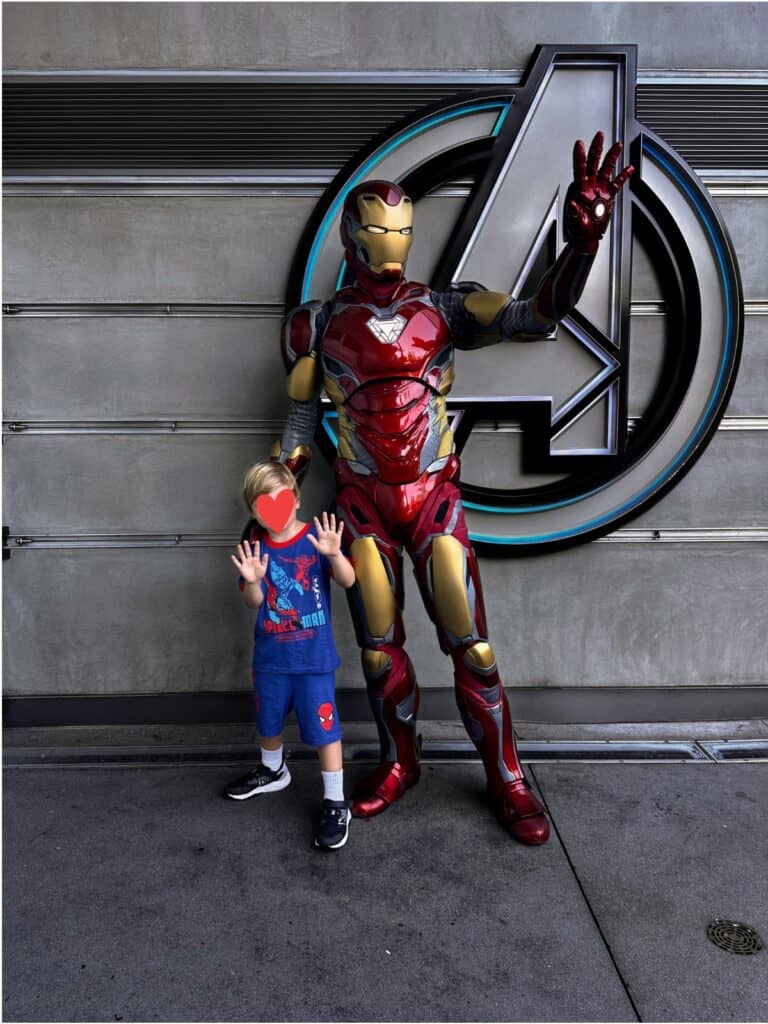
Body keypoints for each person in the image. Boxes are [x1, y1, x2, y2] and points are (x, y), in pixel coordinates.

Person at [270, 133, 632, 844]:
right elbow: (300, 419)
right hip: (362, 506)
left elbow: (538, 313)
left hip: (433, 499)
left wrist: (583, 243)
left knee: (473, 648)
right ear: (354, 235)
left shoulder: (445, 308)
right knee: (379, 650)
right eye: (379, 230)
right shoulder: (315, 326)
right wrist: (277, 494)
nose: (391, 241)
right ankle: (401, 762)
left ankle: (509, 778)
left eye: (401, 230)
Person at [225, 461, 356, 851]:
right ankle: (273, 771)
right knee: (268, 721)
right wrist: (251, 582)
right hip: (270, 659)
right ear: (254, 510)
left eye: (282, 501)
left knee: (324, 730)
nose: (275, 511)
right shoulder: (256, 551)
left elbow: (349, 580)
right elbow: (254, 602)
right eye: (264, 505)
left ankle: (336, 801)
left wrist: (334, 555)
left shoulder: (318, 538)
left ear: (296, 500)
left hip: (313, 661)